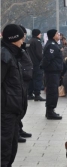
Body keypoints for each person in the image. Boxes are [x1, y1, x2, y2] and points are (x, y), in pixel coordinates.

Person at [1, 24, 26, 167]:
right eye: (21, 38)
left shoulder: (13, 54)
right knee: (5, 149)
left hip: (14, 109)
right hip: (6, 110)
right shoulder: (4, 55)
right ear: (13, 39)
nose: (23, 41)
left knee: (11, 148)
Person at [41, 29, 63, 120]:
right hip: (52, 72)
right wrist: (44, 68)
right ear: (54, 35)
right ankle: (50, 111)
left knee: (52, 91)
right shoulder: (52, 45)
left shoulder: (53, 44)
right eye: (57, 33)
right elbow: (47, 59)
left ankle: (50, 111)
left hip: (54, 71)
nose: (59, 35)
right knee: (52, 92)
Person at [18, 25, 33, 143]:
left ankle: (19, 128)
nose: (24, 38)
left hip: (24, 82)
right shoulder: (11, 51)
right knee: (17, 107)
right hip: (18, 82)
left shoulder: (22, 47)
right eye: (23, 35)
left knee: (22, 106)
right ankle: (16, 131)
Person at [27, 29, 46, 101]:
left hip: (30, 63)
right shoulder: (37, 42)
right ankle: (37, 94)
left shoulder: (29, 41)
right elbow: (39, 54)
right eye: (40, 34)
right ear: (38, 34)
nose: (41, 35)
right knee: (38, 79)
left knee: (31, 79)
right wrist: (43, 60)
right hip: (37, 63)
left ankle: (29, 94)